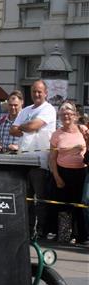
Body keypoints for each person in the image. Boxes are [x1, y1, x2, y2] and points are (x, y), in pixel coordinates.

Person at [11, 80, 57, 236]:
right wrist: (27, 126)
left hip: (40, 161)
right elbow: (13, 130)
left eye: (39, 91)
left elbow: (32, 126)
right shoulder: (26, 110)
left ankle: (41, 231)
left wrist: (23, 126)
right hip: (22, 160)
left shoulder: (49, 109)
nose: (36, 94)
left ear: (46, 93)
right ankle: (27, 230)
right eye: (33, 92)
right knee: (25, 199)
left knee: (41, 200)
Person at [45, 102, 87, 244]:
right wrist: (56, 177)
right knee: (63, 205)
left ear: (75, 115)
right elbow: (52, 157)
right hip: (62, 172)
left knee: (80, 206)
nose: (66, 116)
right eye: (63, 114)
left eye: (69, 113)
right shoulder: (56, 134)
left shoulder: (83, 130)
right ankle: (64, 235)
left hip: (81, 173)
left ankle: (81, 236)